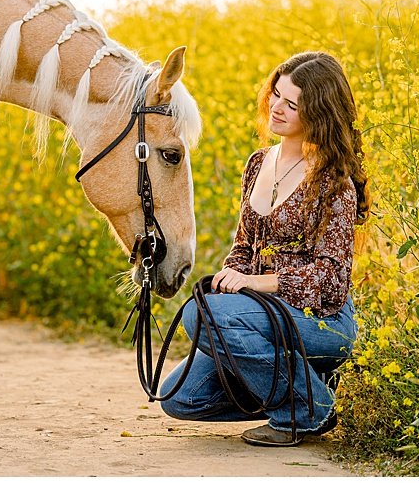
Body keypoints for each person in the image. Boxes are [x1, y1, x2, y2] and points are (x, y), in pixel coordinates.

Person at [159, 51, 370, 447]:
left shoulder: (333, 183)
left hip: (323, 319)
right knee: (181, 399)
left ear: (319, 115)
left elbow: (331, 281)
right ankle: (300, 381)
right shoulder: (258, 163)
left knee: (199, 318)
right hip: (262, 315)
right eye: (276, 94)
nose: (276, 107)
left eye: (292, 104)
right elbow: (243, 246)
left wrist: (253, 283)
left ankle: (307, 410)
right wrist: (228, 278)